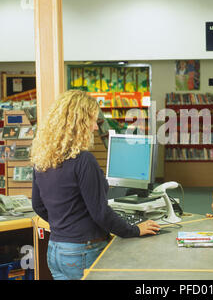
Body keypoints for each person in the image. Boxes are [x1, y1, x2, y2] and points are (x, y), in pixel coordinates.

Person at [30, 90, 160, 280]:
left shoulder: (42, 159)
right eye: (91, 120)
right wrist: (135, 229)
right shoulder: (84, 160)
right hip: (83, 251)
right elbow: (100, 212)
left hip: (56, 251)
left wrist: (65, 226)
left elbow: (38, 205)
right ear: (79, 123)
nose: (94, 127)